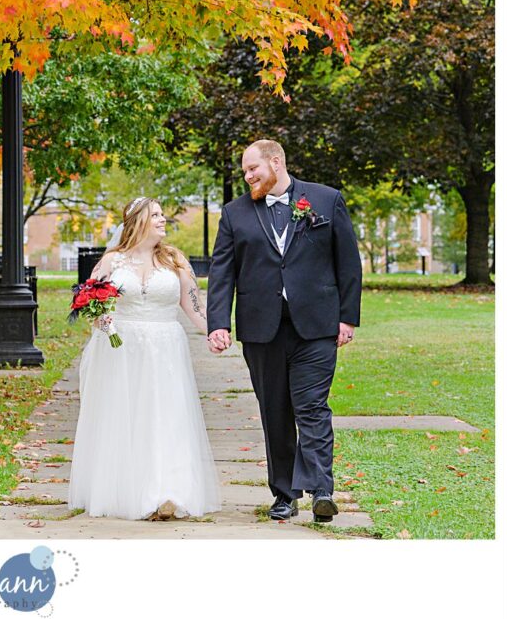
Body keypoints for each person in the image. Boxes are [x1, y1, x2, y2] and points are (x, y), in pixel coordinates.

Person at [206, 139, 362, 522]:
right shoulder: (234, 214)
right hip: (262, 329)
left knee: (311, 407)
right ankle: (284, 494)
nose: (247, 176)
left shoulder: (325, 200)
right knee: (274, 411)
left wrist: (347, 318)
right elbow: (222, 272)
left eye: (252, 169)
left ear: (275, 162)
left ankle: (323, 490)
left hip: (317, 326)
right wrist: (218, 323)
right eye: (244, 171)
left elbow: (348, 262)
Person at [68, 197, 221, 520]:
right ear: (137, 221)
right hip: (122, 351)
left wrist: (214, 332)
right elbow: (92, 304)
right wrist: (101, 320)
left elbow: (194, 306)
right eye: (156, 215)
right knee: (128, 417)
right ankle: (126, 489)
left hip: (165, 348)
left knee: (167, 417)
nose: (163, 220)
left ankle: (169, 492)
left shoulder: (175, 260)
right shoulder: (111, 261)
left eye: (163, 214)